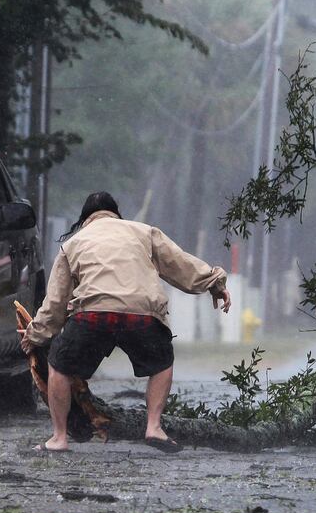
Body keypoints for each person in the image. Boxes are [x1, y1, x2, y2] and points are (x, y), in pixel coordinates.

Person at [20, 191, 231, 452]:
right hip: (141, 315)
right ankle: (154, 427)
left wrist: (35, 335)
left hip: (92, 315)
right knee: (162, 363)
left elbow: (55, 303)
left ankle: (59, 437)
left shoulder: (72, 244)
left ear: (85, 219)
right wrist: (214, 283)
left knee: (59, 365)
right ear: (117, 214)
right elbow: (181, 264)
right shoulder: (143, 232)